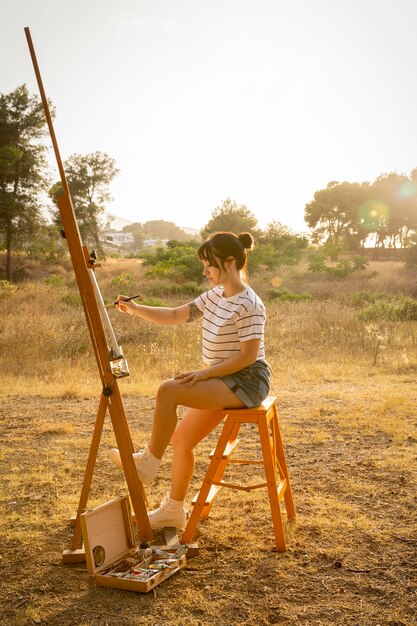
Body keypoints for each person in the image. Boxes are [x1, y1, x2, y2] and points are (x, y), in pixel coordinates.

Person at [108, 231, 271, 529]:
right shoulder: (215, 296)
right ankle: (173, 510)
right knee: (181, 440)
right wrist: (135, 309)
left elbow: (248, 357)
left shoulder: (249, 304)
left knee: (169, 390)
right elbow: (174, 315)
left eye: (209, 264)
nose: (204, 271)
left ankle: (147, 463)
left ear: (230, 261)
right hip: (225, 377)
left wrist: (204, 373)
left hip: (247, 380)